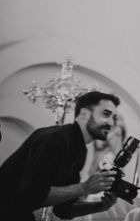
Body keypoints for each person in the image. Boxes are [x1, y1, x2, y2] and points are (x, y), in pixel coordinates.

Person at [0, 91, 120, 221]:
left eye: (113, 117)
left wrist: (100, 206)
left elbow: (63, 209)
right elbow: (31, 195)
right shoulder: (54, 139)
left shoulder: (79, 148)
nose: (111, 123)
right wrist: (85, 187)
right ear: (85, 114)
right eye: (106, 114)